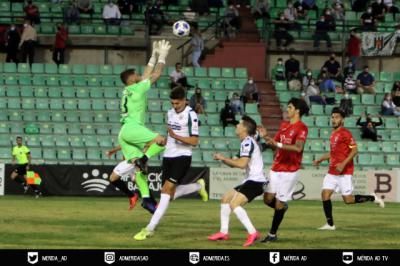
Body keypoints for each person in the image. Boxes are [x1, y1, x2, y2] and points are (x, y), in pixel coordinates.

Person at [134, 86, 208, 241]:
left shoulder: (191, 115)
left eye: (177, 104)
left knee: (166, 192)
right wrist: (155, 144)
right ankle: (198, 186)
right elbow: (169, 138)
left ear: (184, 101)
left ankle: (149, 228)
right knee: (169, 195)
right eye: (172, 103)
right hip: (168, 156)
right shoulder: (169, 113)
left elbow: (194, 141)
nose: (174, 106)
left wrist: (176, 136)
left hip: (182, 157)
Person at [118, 40, 171, 212]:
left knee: (140, 169)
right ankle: (144, 158)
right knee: (162, 141)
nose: (140, 74)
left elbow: (146, 74)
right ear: (132, 78)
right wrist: (162, 57)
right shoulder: (137, 88)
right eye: (136, 74)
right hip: (133, 127)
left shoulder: (129, 90)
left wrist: (153, 55)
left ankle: (147, 199)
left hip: (124, 132)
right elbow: (154, 75)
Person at [313, 107, 384, 231]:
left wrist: (343, 164)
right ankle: (330, 225)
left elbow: (354, 150)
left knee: (348, 200)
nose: (334, 120)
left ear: (342, 120)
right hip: (332, 171)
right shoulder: (333, 134)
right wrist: (320, 159)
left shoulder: (346, 133)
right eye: (332, 117)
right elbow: (332, 153)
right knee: (325, 194)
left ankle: (372, 198)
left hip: (344, 172)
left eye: (337, 117)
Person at [208, 116, 267, 247]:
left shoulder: (247, 142)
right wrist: (224, 160)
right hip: (251, 180)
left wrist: (223, 158)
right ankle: (223, 232)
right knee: (225, 199)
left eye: (239, 124)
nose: (236, 126)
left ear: (245, 128)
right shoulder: (247, 141)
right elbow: (235, 164)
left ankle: (253, 233)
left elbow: (241, 164)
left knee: (234, 204)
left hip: (256, 181)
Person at [258, 97, 309, 243]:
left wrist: (278, 144)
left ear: (297, 111)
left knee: (279, 203)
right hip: (276, 167)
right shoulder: (284, 125)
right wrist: (266, 136)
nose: (287, 109)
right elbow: (274, 144)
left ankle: (272, 235)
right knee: (267, 199)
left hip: (290, 170)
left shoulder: (302, 128)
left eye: (290, 107)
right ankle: (282, 208)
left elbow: (298, 148)